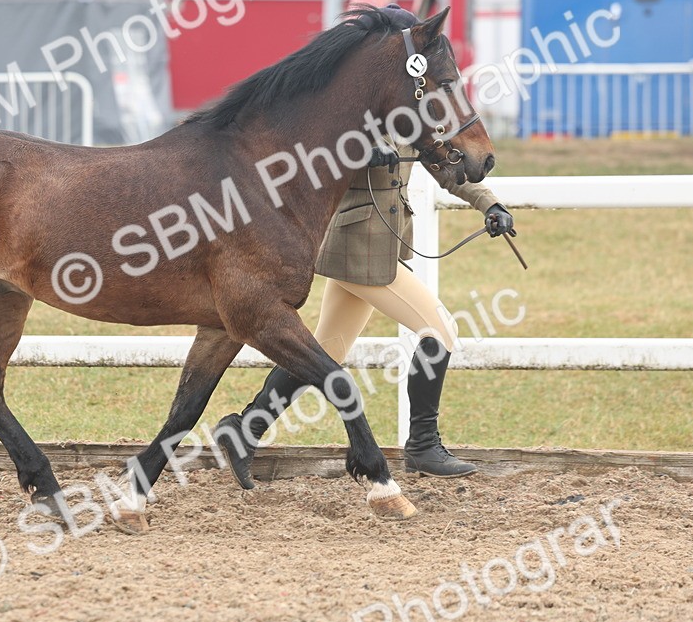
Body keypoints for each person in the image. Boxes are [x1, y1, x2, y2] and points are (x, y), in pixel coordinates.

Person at [215, 137, 515, 486]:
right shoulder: (356, 111)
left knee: (326, 351)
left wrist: (491, 205)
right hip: (360, 248)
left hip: (372, 247)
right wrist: (358, 152)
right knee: (441, 331)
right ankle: (423, 445)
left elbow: (448, 168)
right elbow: (311, 157)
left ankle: (245, 430)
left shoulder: (412, 118)